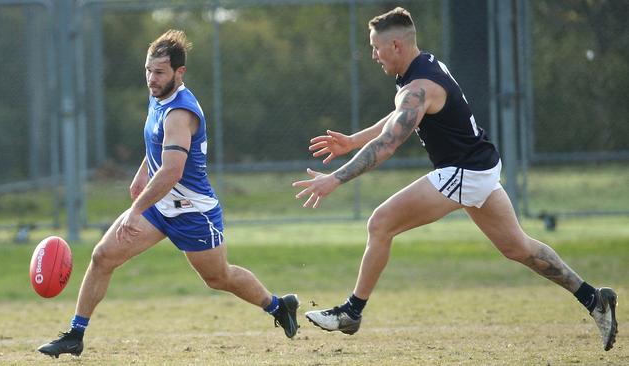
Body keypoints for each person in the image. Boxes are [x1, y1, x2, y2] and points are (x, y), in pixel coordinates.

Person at [293, 7, 617, 351]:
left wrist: (335, 180)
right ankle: (594, 299)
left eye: (376, 47)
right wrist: (353, 141)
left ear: (397, 46)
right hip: (480, 166)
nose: (374, 55)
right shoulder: (422, 70)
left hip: (465, 171)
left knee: (380, 224)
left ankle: (352, 312)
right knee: (517, 246)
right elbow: (398, 118)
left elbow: (388, 144)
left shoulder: (418, 87)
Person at [38, 29, 299, 358]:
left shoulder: (181, 113)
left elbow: (172, 170)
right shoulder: (158, 95)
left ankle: (278, 306)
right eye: (148, 70)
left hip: (193, 212)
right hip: (159, 205)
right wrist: (141, 173)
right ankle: (75, 335)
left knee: (218, 277)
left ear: (180, 73)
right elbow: (157, 148)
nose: (151, 78)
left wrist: (135, 209)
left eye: (159, 72)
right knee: (102, 257)